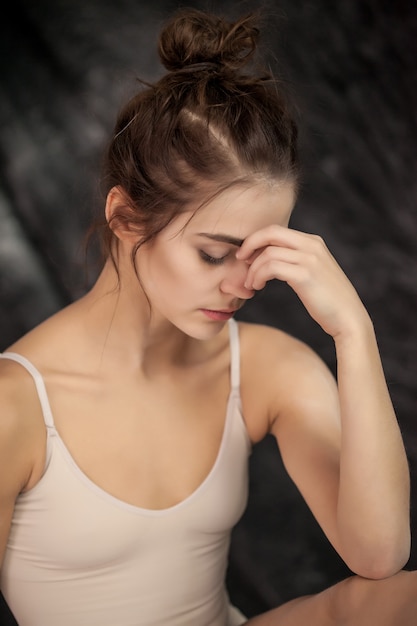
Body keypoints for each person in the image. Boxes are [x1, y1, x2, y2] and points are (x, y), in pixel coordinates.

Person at [0, 7, 416, 626]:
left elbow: (380, 555)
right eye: (214, 254)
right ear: (125, 217)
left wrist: (354, 333)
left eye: (258, 254)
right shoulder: (16, 407)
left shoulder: (268, 368)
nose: (242, 283)